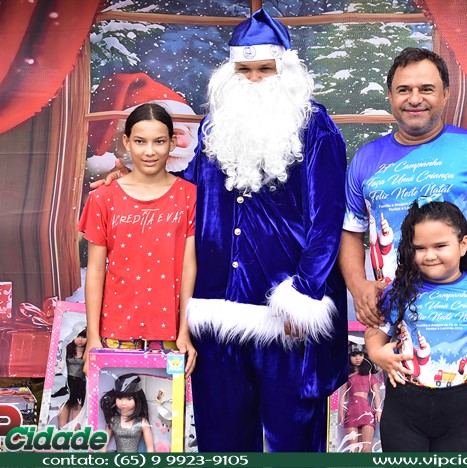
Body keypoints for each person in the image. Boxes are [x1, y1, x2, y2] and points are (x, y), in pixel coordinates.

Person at [95, 10, 348, 451]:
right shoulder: (217, 124)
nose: (254, 79)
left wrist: (305, 293)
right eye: (244, 70)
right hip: (216, 304)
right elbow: (189, 190)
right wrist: (133, 181)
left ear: (285, 69)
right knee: (221, 433)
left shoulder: (315, 126)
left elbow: (328, 217)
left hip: (284, 310)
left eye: (265, 69)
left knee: (291, 435)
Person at [339, 47, 467, 452]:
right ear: (391, 96)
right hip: (404, 321)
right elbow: (350, 231)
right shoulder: (366, 159)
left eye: (426, 89)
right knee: (414, 438)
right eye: (404, 89)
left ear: (446, 93)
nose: (415, 99)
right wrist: (359, 286)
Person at [365, 198, 467, 452]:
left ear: (463, 244)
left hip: (460, 413)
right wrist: (377, 353)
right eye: (419, 248)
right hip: (403, 410)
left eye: (440, 246)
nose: (430, 255)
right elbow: (375, 328)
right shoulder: (399, 291)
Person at [78, 103, 197, 376]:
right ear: (126, 142)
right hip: (113, 330)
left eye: (159, 141)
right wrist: (93, 337)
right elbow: (95, 270)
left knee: (165, 403)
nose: (150, 151)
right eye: (140, 141)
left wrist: (185, 331)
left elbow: (189, 266)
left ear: (172, 143)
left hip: (171, 334)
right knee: (116, 400)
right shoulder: (103, 198)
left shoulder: (190, 197)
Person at [338, 343, 382, 453]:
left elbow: (376, 393)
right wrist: (341, 413)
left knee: (366, 449)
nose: (357, 358)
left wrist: (378, 410)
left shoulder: (370, 376)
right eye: (354, 355)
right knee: (353, 450)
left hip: (367, 412)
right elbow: (342, 395)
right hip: (351, 413)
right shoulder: (347, 377)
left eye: (360, 355)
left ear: (364, 356)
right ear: (349, 357)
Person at [99, 373, 154, 452]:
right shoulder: (113, 420)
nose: (124, 403)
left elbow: (150, 448)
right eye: (120, 398)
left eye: (129, 399)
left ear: (137, 399)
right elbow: (103, 444)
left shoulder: (142, 422)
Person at [57, 328, 87, 429]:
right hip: (67, 382)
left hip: (80, 383)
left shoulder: (88, 352)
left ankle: (75, 433)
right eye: (77, 336)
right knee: (64, 405)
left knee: (77, 406)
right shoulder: (67, 350)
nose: (80, 339)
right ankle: (61, 432)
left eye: (83, 337)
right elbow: (60, 366)